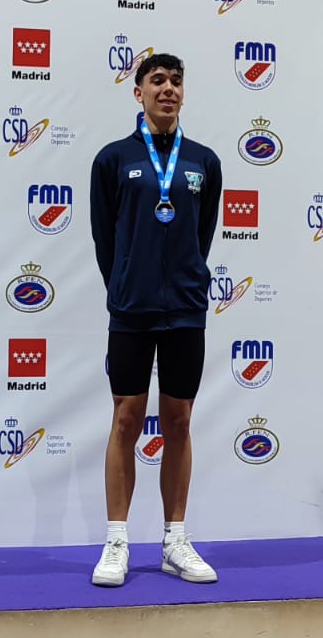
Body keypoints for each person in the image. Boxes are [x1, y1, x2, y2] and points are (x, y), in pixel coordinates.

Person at [88, 52, 222, 587]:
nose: (168, 89)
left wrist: (184, 280)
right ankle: (116, 541)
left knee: (179, 421)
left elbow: (201, 235)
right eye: (157, 80)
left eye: (176, 81)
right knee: (125, 419)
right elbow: (104, 237)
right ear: (138, 91)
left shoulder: (204, 161)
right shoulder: (113, 159)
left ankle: (174, 540)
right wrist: (126, 284)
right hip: (132, 309)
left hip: (186, 310)